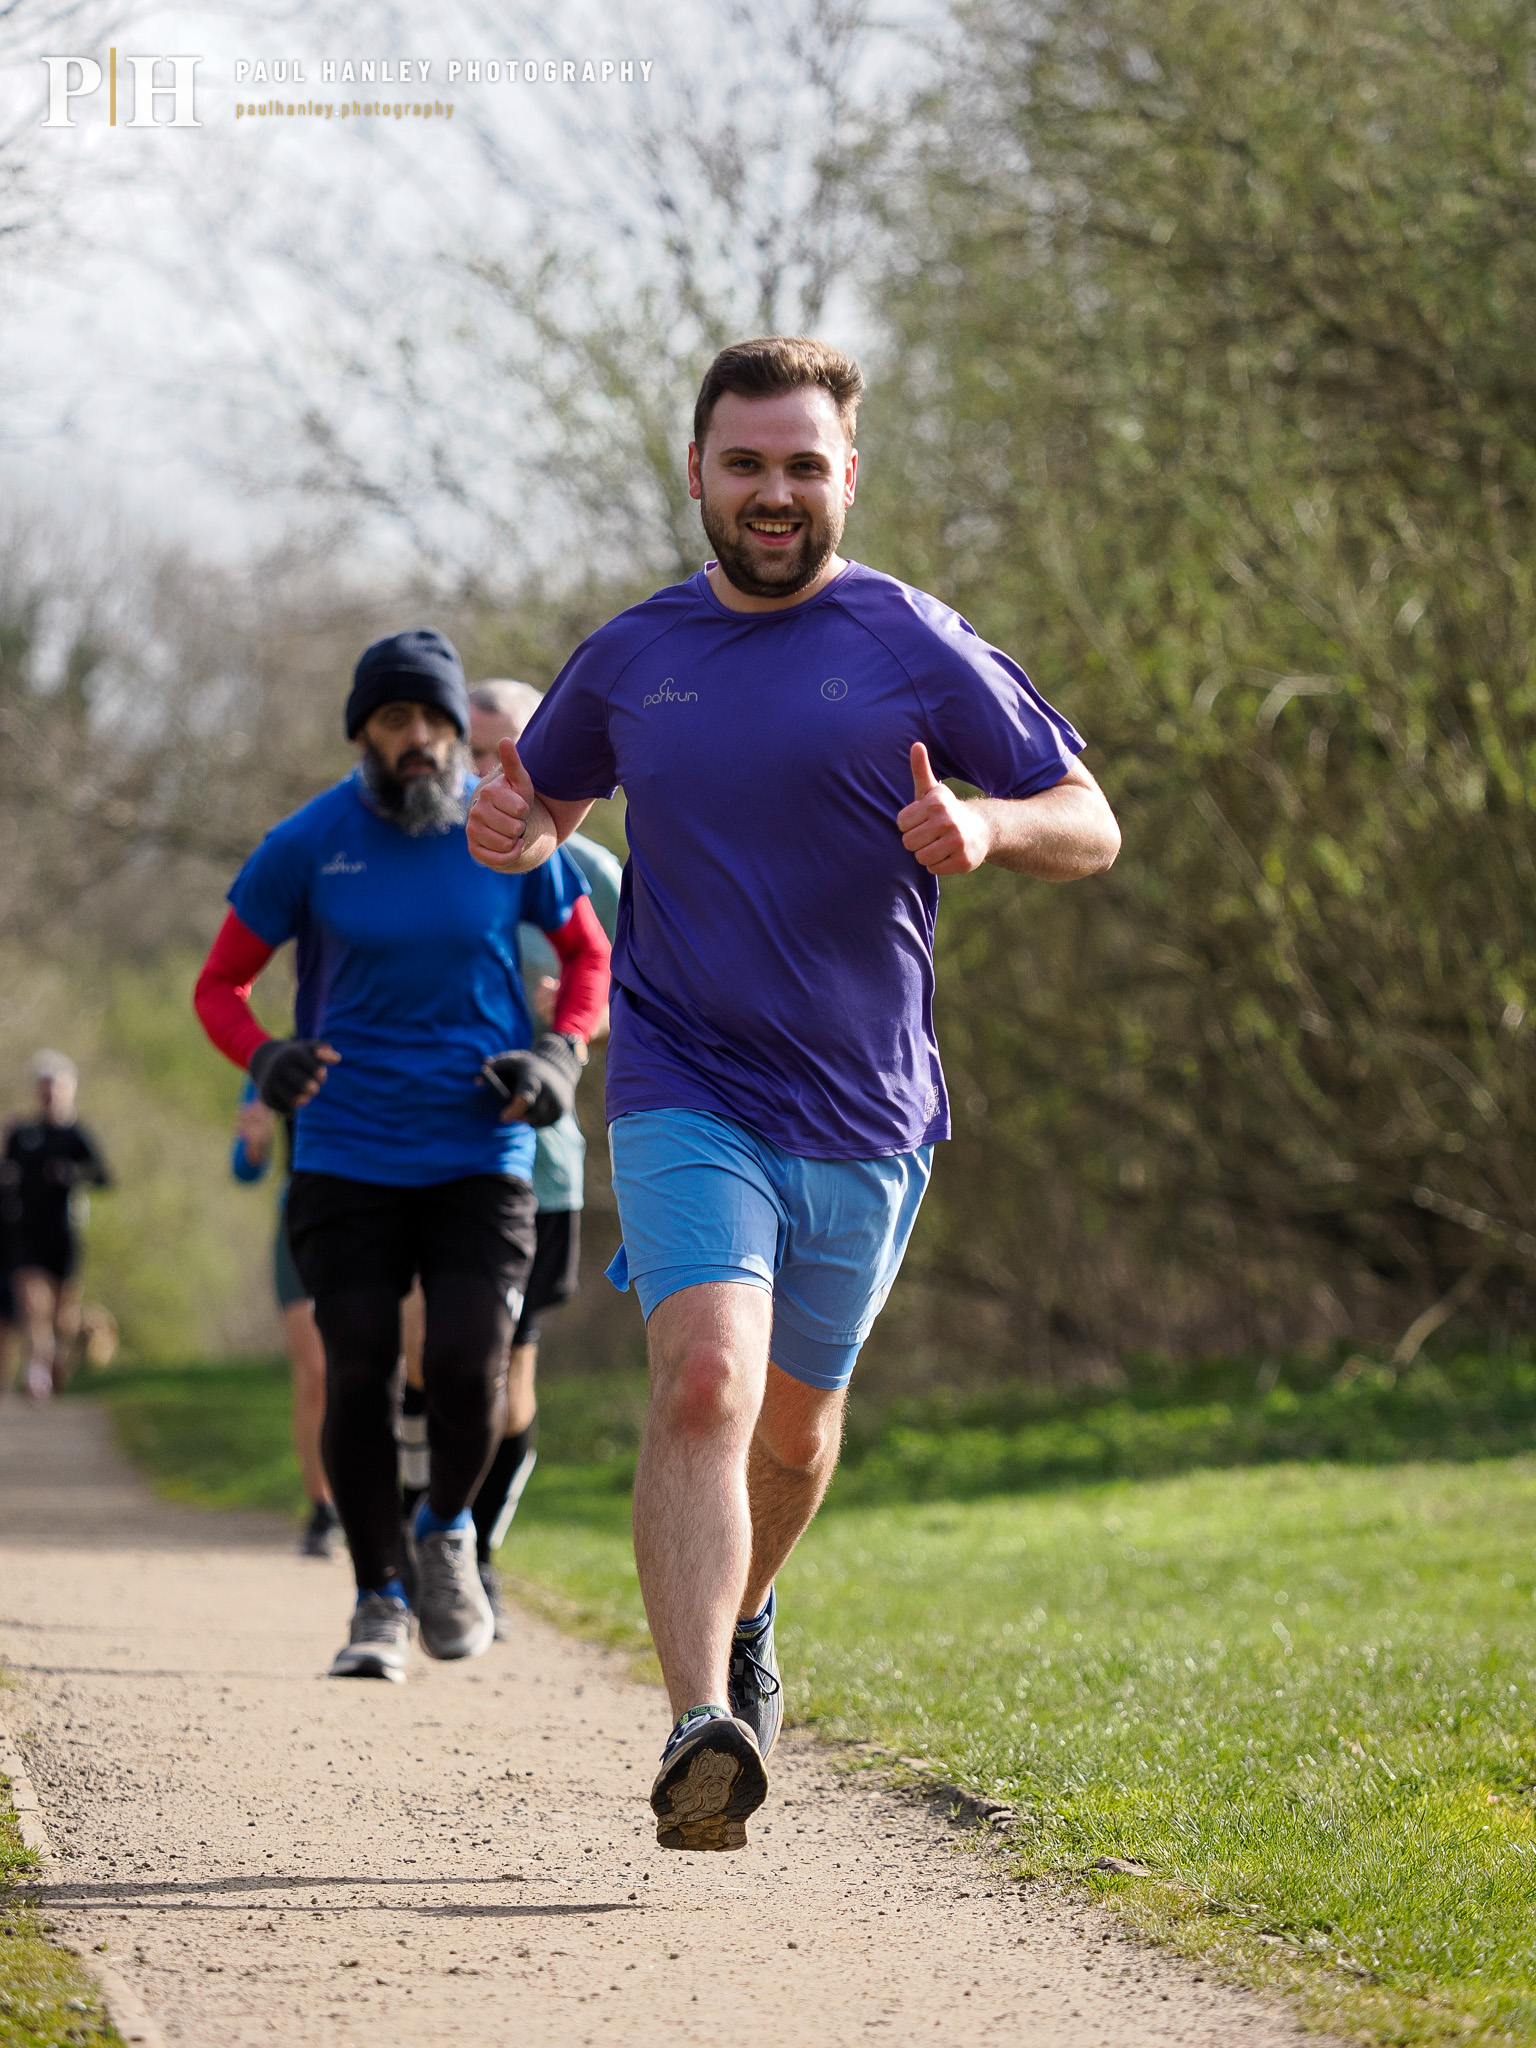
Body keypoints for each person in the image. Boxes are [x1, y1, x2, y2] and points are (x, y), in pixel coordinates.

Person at [466, 336, 1121, 1851]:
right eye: (746, 463)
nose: (774, 492)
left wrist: (988, 824)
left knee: (799, 1437)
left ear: (847, 477)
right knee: (704, 1378)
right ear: (697, 470)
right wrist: (518, 831)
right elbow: (547, 804)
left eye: (803, 465)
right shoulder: (632, 654)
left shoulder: (912, 639)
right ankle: (700, 1726)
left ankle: (747, 1614)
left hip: (873, 1108)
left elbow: (1091, 825)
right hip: (688, 1079)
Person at [194, 628, 610, 1684]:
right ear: (365, 731)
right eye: (397, 720)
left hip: (482, 1143)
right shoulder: (307, 843)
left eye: (433, 719)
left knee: (473, 1362)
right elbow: (219, 984)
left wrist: (560, 1053)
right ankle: (377, 1597)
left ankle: (447, 1530)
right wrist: (266, 1054)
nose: (420, 739)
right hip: (346, 1151)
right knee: (360, 1369)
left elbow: (587, 954)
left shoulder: (508, 832)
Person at [458, 680, 623, 1637]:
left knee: (506, 1374)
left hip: (542, 1160)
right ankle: (421, 1528)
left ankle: (475, 1551)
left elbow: (643, 986)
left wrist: (575, 1019)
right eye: (474, 749)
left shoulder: (588, 870)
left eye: (511, 750)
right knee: (429, 1355)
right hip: (424, 1151)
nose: (492, 771)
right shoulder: (422, 852)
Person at [230, 1083, 341, 1558]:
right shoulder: (277, 1061)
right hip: (300, 1222)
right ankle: (323, 1509)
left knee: (379, 1368)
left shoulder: (389, 1034)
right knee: (315, 1373)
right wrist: (254, 1143)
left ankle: (392, 1501)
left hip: (379, 1220)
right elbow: (244, 1168)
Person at [2, 1051, 112, 1400]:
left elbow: (104, 1178)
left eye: (56, 1088)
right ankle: (36, 1373)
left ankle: (55, 1363)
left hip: (64, 1234)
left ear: (69, 1091)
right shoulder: (23, 1134)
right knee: (33, 1305)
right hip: (25, 1233)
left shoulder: (77, 1136)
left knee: (61, 1316)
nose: (49, 1095)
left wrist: (70, 1174)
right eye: (44, 1088)